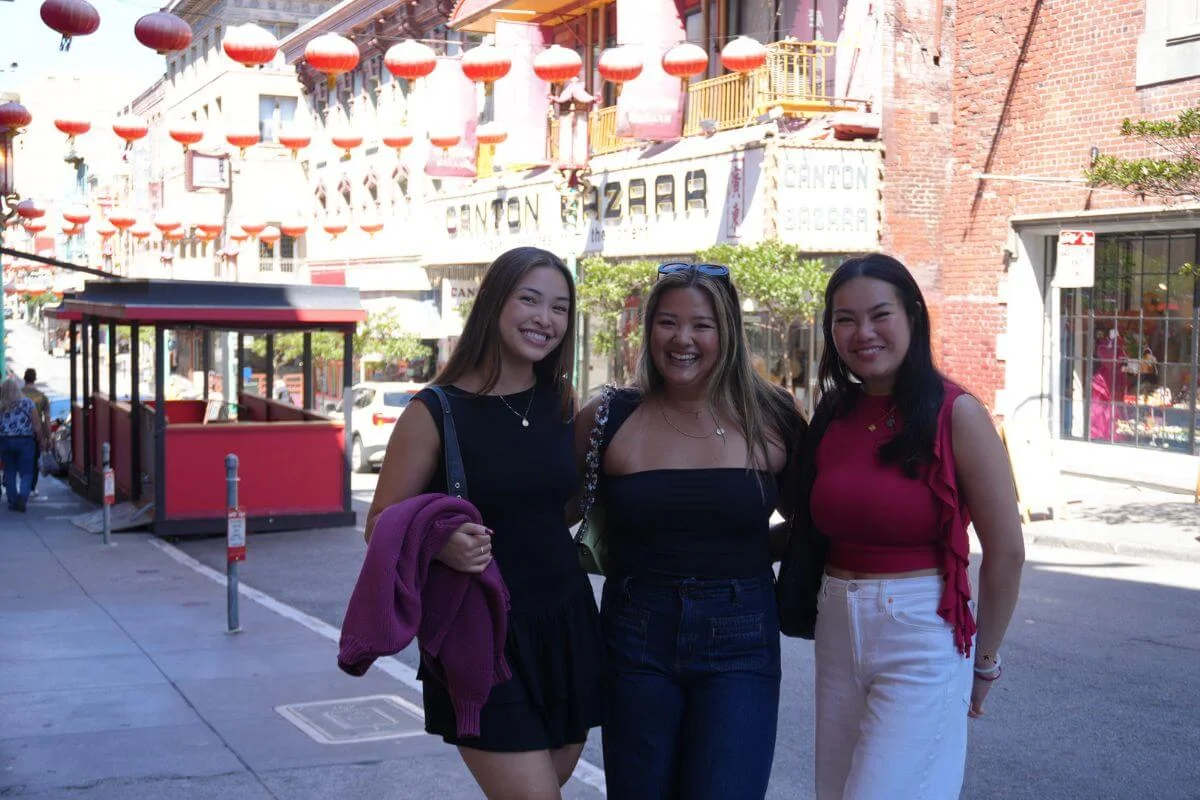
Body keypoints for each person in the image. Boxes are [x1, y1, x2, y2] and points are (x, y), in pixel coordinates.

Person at [364, 246, 604, 800]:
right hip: (480, 633)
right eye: (530, 299)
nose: (545, 319)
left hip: (566, 623)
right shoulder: (434, 411)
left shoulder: (559, 400)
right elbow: (379, 523)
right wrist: (439, 540)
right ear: (495, 302)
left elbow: (556, 507)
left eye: (560, 307)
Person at [799, 254, 1025, 799]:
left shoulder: (957, 413)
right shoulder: (833, 411)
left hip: (920, 631)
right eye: (845, 319)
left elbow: (1007, 550)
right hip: (834, 624)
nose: (863, 332)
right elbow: (810, 525)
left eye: (880, 314)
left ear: (913, 319)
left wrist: (986, 659)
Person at [576, 262, 804, 799]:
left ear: (728, 332)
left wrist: (741, 554)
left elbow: (812, 520)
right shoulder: (607, 416)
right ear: (648, 329)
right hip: (634, 630)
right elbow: (544, 512)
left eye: (702, 325)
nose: (683, 339)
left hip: (741, 629)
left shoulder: (772, 412)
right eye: (667, 322)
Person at [1, 377, 43, 513]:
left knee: (9, 471)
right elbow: (36, 424)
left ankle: (12, 501)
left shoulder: (1, 404)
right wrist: (41, 439)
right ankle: (23, 497)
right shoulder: (28, 403)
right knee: (27, 472)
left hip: (5, 440)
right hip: (25, 440)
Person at [21, 369, 50, 497]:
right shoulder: (42, 397)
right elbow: (47, 420)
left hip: (19, 432)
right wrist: (47, 437)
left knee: (19, 460)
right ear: (35, 379)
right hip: (35, 434)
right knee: (34, 461)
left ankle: (21, 485)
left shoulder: (17, 395)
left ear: (24, 378)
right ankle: (32, 487)